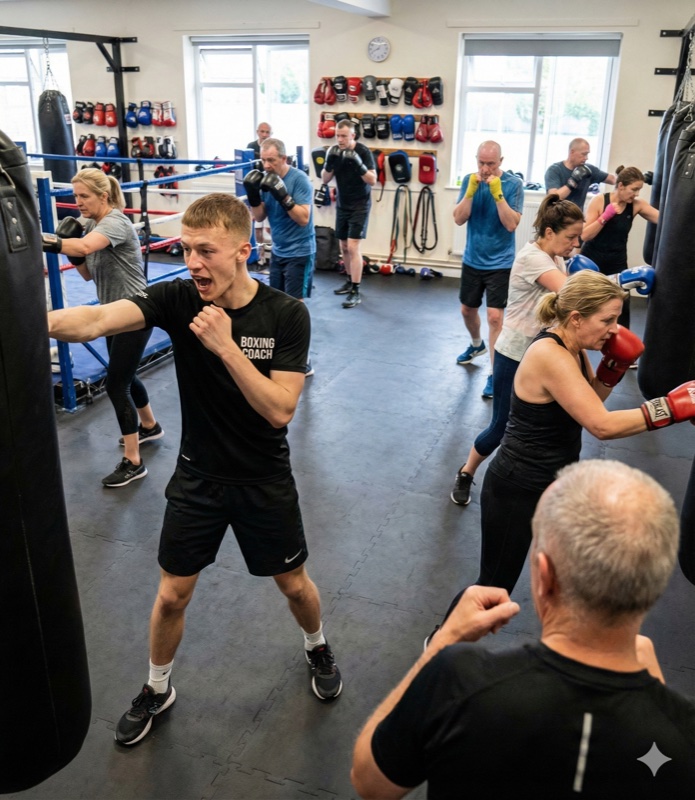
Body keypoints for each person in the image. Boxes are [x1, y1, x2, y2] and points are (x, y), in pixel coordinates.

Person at [47, 193, 342, 746]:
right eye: (186, 249)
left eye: (206, 250)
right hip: (198, 479)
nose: (193, 263)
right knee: (171, 595)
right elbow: (93, 320)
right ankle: (157, 687)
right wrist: (24, 318)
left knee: (295, 585)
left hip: (263, 480)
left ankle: (317, 645)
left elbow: (280, 410)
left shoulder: (285, 314)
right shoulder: (180, 298)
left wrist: (226, 348)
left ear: (243, 251)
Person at [351, 460, 695, 798]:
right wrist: (656, 700)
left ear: (544, 577)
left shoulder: (458, 681)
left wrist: (444, 642)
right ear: (656, 584)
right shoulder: (684, 733)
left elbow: (369, 782)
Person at [449, 270, 695, 597]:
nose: (614, 330)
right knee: (493, 589)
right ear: (577, 318)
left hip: (553, 480)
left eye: (617, 319)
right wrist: (669, 408)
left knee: (570, 574)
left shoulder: (573, 346)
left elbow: (590, 401)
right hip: (517, 488)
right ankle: (442, 643)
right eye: (607, 320)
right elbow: (601, 425)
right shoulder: (550, 355)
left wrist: (613, 368)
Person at [451, 195, 582, 506]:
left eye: (578, 237)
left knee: (555, 425)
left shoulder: (555, 257)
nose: (576, 244)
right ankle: (467, 472)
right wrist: (619, 283)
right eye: (571, 237)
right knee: (501, 426)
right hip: (515, 354)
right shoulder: (532, 258)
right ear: (549, 232)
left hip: (545, 353)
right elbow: (570, 292)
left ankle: (548, 488)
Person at [42, 168, 163, 488]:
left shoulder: (115, 222)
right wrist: (73, 240)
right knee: (126, 374)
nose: (77, 202)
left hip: (137, 311)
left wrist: (45, 239)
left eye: (84, 196)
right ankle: (150, 426)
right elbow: (86, 273)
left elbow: (81, 250)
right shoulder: (93, 225)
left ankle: (134, 462)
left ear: (103, 196)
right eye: (75, 196)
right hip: (112, 313)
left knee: (115, 384)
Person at [453, 141, 523, 399]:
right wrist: (470, 191)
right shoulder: (469, 181)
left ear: (500, 161)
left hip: (501, 263)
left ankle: (495, 374)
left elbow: (511, 225)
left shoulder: (513, 184)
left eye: (490, 164)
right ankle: (476, 345)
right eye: (481, 162)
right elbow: (459, 218)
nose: (484, 169)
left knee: (495, 316)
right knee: (466, 309)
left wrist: (498, 194)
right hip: (473, 258)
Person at [244, 137, 316, 375]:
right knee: (275, 304)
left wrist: (283, 196)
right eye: (263, 160)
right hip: (279, 250)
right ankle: (279, 355)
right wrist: (254, 196)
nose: (266, 165)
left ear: (283, 159)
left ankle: (302, 359)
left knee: (295, 304)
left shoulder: (299, 180)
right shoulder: (265, 178)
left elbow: (303, 218)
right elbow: (260, 216)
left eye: (271, 160)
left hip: (301, 250)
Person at [580, 165, 659, 329]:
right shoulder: (600, 201)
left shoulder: (636, 205)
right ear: (621, 185)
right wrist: (605, 217)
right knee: (585, 308)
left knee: (622, 308)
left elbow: (664, 219)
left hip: (617, 262)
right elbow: (585, 235)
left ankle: (621, 353)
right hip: (592, 261)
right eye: (634, 189)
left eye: (639, 190)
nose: (636, 194)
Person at [321, 119, 376, 309]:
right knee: (343, 247)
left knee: (353, 247)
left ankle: (356, 290)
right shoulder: (333, 151)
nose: (340, 139)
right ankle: (349, 279)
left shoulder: (363, 151)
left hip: (360, 205)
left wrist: (358, 164)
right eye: (337, 135)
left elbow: (373, 180)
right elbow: (325, 179)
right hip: (342, 205)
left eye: (344, 135)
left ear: (353, 135)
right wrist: (329, 163)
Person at [545, 137, 616, 210]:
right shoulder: (555, 170)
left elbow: (613, 180)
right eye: (583, 154)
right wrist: (574, 180)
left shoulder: (589, 170)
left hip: (576, 219)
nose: (586, 158)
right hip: (556, 218)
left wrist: (622, 174)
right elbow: (553, 198)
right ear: (572, 152)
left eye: (587, 154)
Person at [246, 122, 273, 264]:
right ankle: (260, 257)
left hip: (270, 190)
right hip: (255, 190)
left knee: (269, 228)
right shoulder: (251, 147)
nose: (264, 135)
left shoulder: (274, 148)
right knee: (257, 228)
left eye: (267, 132)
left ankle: (274, 255)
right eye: (262, 131)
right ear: (257, 132)